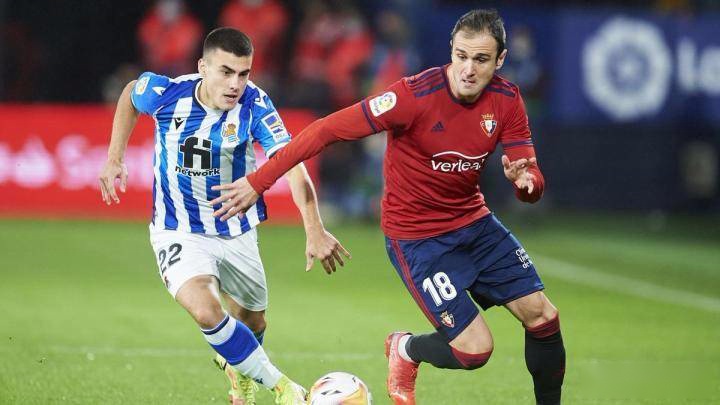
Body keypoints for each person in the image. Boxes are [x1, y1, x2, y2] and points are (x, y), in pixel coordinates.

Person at [211, 9, 565, 405]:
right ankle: (406, 349)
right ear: (451, 49)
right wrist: (258, 181)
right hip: (418, 240)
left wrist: (526, 183)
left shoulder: (507, 100)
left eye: (481, 59)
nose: (468, 69)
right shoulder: (412, 96)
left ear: (499, 60)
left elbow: (531, 180)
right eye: (461, 56)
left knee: (543, 316)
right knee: (475, 351)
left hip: (476, 224)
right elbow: (325, 130)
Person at [98, 27, 350, 405]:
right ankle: (283, 387)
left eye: (244, 73)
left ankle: (239, 373)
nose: (235, 84)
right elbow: (130, 94)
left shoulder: (256, 104)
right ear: (203, 67)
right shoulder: (167, 93)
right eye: (226, 71)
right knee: (205, 309)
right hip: (178, 228)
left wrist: (314, 227)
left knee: (253, 321)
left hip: (237, 230)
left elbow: (291, 164)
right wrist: (114, 157)